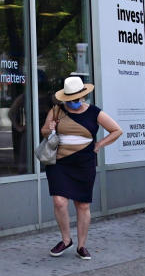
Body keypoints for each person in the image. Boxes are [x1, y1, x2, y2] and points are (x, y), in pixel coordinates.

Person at [40, 76, 122, 260]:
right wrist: (50, 128)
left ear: (82, 96)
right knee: (59, 201)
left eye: (75, 100)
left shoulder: (94, 112)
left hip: (84, 162)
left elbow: (117, 130)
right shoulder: (56, 110)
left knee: (82, 204)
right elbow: (44, 131)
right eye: (69, 100)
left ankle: (81, 246)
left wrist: (100, 144)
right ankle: (66, 239)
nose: (72, 103)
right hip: (60, 162)